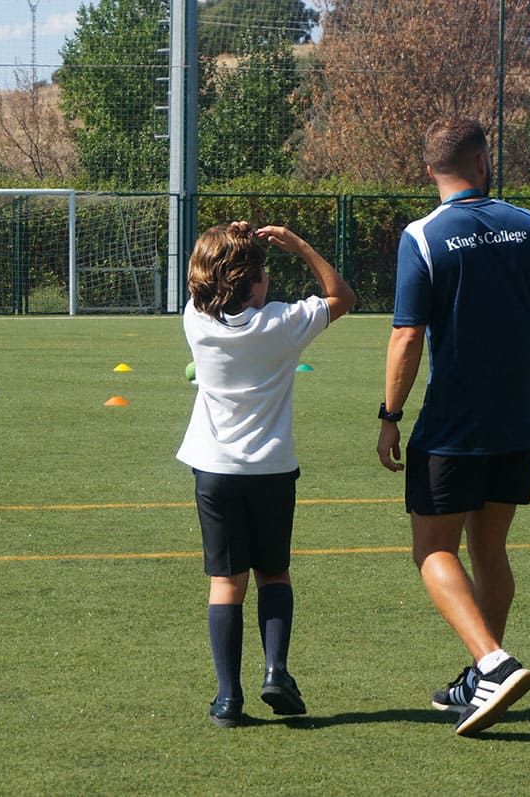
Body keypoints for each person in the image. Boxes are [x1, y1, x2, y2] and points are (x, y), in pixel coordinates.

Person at [376, 117, 530, 737]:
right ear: (483, 163)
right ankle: (481, 675)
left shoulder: (423, 236)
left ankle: (491, 662)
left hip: (454, 423)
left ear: (431, 172)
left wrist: (390, 416)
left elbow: (407, 335)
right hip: (519, 419)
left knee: (432, 548)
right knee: (489, 548)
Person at [177, 221, 356, 727]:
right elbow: (341, 296)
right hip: (273, 469)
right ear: (254, 281)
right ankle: (276, 670)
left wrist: (222, 240)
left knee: (225, 582)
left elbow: (206, 278)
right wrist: (299, 245)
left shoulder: (196, 321)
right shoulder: (281, 323)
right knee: (273, 572)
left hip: (214, 470)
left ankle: (227, 698)